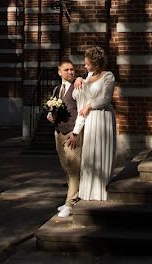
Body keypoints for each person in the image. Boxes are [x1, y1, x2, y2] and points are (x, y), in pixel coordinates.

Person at [68, 46, 116, 201]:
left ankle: (101, 191)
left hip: (103, 118)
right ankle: (87, 192)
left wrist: (90, 105)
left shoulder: (108, 76)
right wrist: (78, 80)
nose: (85, 66)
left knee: (101, 153)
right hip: (90, 121)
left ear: (96, 64)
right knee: (89, 155)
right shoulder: (87, 77)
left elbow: (105, 98)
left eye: (87, 64)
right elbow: (77, 97)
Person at [47, 59, 81, 218]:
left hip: (72, 134)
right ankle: (72, 197)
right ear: (59, 72)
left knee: (74, 168)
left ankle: (70, 203)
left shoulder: (79, 87)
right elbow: (55, 110)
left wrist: (76, 133)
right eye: (66, 70)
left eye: (72, 69)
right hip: (58, 133)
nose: (70, 72)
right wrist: (50, 115)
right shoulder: (57, 89)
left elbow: (82, 112)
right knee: (66, 167)